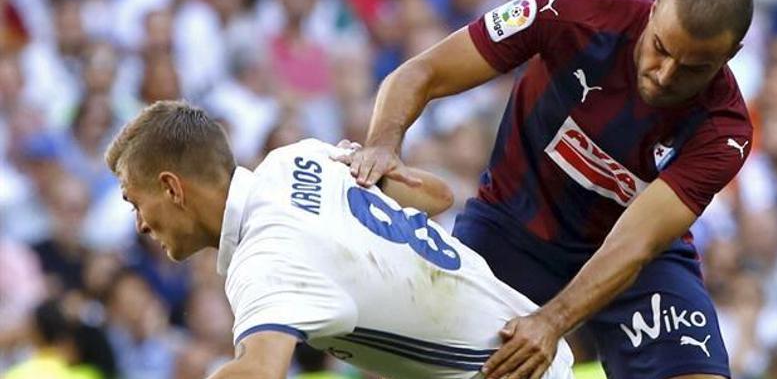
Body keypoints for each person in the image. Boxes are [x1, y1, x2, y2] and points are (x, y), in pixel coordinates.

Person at [338, 0, 754, 379]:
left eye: (694, 68)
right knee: (417, 359)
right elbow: (421, 72)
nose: (665, 75)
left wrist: (551, 323)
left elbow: (636, 244)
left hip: (630, 260)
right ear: (655, 8)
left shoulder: (724, 132)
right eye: (660, 48)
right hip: (510, 228)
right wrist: (382, 145)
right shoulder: (573, 9)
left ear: (730, 56)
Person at [103, 100, 574, 379]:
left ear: (171, 187)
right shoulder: (298, 158)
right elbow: (436, 196)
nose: (140, 224)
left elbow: (261, 371)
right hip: (533, 348)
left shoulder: (265, 259)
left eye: (134, 202)